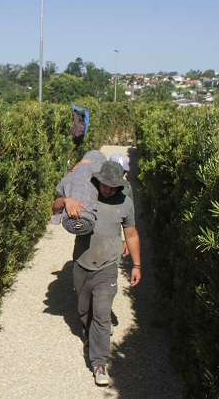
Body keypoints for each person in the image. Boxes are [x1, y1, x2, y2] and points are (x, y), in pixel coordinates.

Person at [51, 160, 142, 386]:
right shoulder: (87, 194)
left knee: (101, 314)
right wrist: (67, 200)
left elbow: (131, 235)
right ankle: (91, 336)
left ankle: (100, 363)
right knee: (84, 312)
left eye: (113, 186)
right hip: (82, 263)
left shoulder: (125, 203)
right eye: (105, 185)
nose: (108, 190)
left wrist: (137, 265)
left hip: (107, 266)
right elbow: (54, 208)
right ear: (98, 180)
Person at [109, 152, 133, 257]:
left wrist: (128, 240)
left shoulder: (127, 188)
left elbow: (129, 216)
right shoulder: (97, 185)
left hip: (115, 234)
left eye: (121, 171)